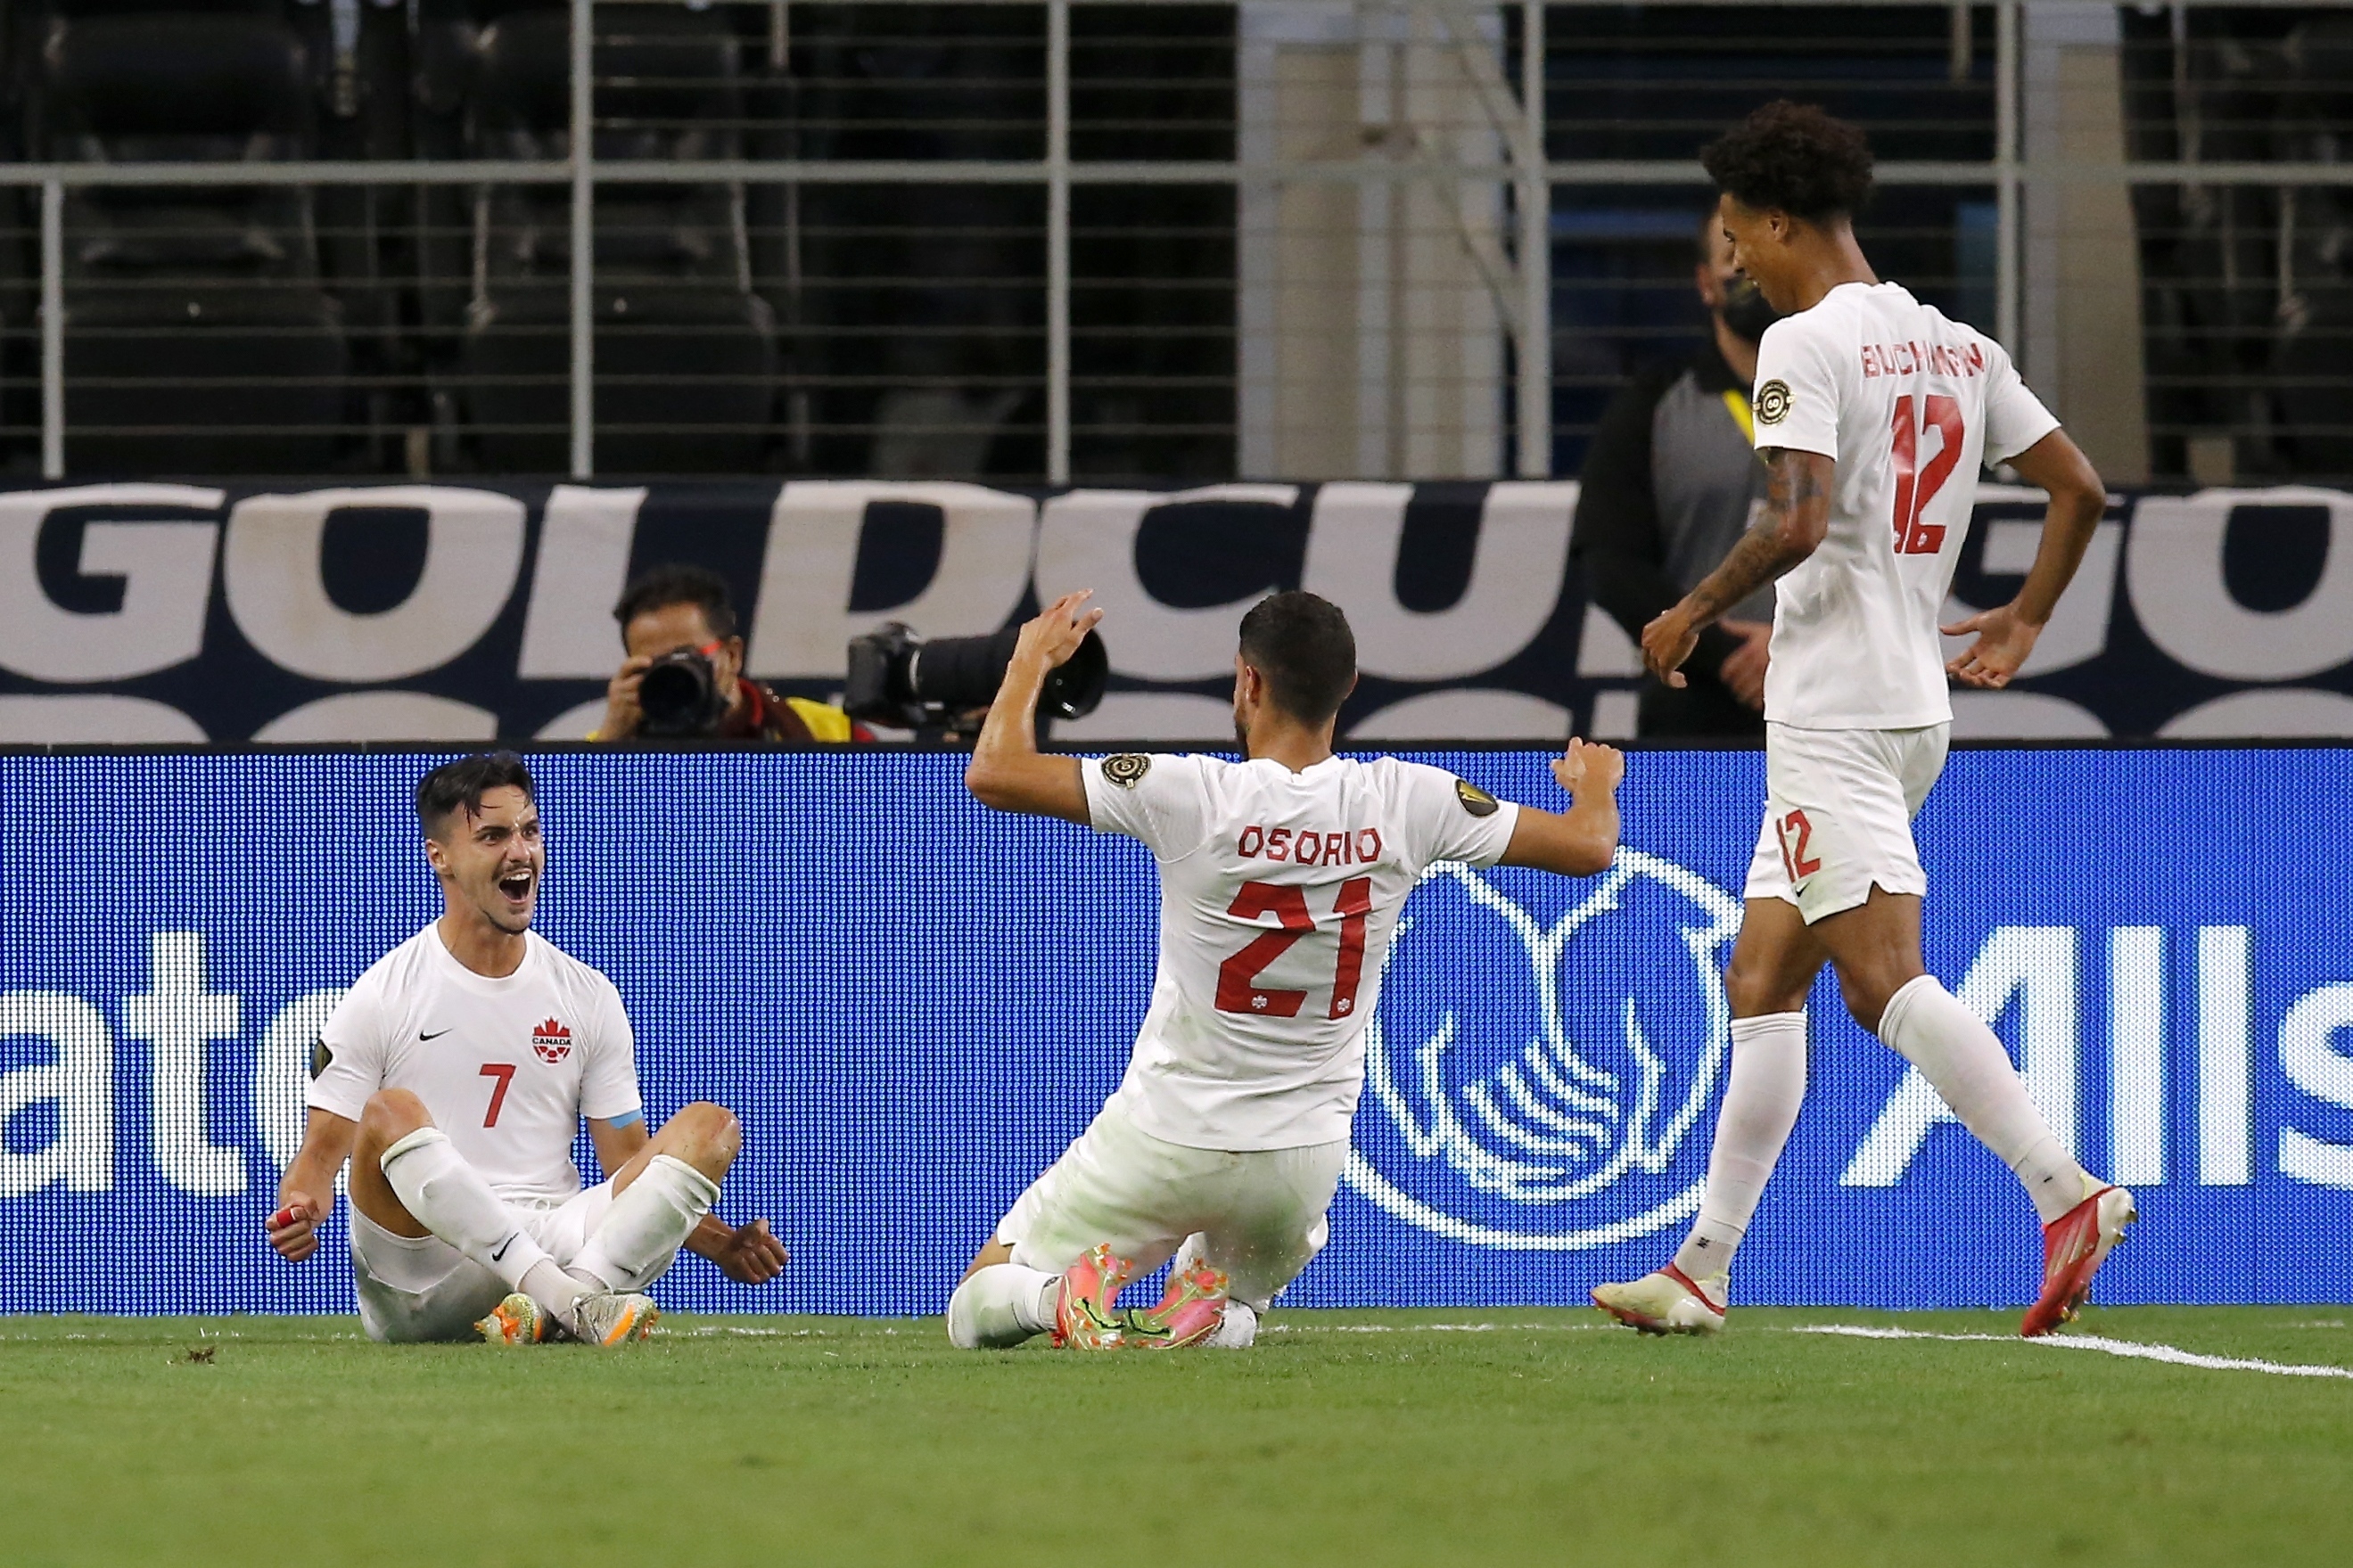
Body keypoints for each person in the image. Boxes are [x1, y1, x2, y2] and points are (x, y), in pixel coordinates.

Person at [1592, 102, 2126, 1341]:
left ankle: (2065, 1189)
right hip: (1907, 707)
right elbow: (2078, 488)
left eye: (1737, 239)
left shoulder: (1803, 344)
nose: (1732, 263)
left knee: (1879, 980)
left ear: (1777, 224)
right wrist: (2021, 622)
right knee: (1761, 972)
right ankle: (1699, 1266)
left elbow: (1793, 518)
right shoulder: (1954, 345)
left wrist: (1686, 610)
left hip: (1831, 710)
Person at [946, 588, 1627, 1351]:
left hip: (1169, 1135)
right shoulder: (1411, 800)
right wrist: (1595, 784)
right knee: (1225, 1309)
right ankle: (1219, 1309)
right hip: (1300, 1159)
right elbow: (1589, 848)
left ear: (1249, 681)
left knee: (977, 1303)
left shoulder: (1189, 794)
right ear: (1349, 687)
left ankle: (1057, 1296)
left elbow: (995, 771)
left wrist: (1029, 659)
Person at [266, 752, 788, 1344]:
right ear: (439, 857)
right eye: (493, 835)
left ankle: (564, 1300)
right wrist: (299, 1211)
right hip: (426, 1270)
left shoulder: (587, 995)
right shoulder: (382, 995)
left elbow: (628, 1165)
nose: (520, 851)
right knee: (389, 1111)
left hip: (556, 1233)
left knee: (710, 1126)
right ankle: (575, 1301)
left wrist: (721, 1244)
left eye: (529, 830)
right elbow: (317, 1159)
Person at [1571, 213, 1783, 738]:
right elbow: (1611, 560)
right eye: (1733, 255)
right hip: (1699, 701)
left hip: (1841, 701)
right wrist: (1727, 652)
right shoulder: (1654, 405)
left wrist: (1799, 648)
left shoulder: (1863, 400)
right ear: (1705, 283)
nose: (1749, 271)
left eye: (1765, 253)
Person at [593, 563, 870, 743]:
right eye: (654, 666)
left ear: (732, 655)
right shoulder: (604, 749)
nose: (674, 675)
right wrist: (608, 744)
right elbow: (562, 830)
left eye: (686, 657)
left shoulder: (830, 734)